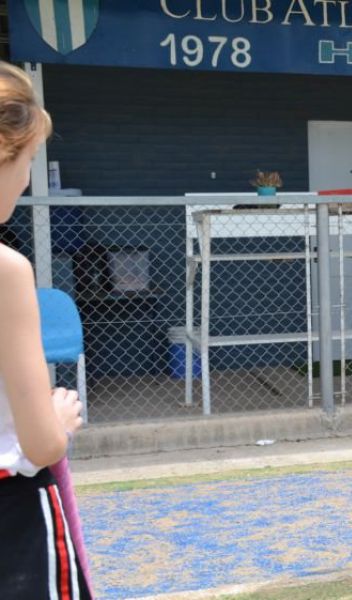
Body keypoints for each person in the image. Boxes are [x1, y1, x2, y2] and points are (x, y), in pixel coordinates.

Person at [0, 61, 91, 598]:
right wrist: (60, 419)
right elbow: (39, 442)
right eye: (30, 157)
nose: (29, 174)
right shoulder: (8, 271)